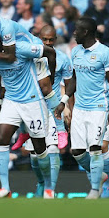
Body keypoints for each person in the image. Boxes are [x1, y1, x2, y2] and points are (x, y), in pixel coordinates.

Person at [0, 0, 68, 149]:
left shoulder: (5, 27)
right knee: (19, 94)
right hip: (14, 56)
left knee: (45, 89)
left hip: (29, 51)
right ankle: (25, 132)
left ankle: (61, 129)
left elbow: (11, 56)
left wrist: (50, 77)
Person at [0, 29, 54, 198]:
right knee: (2, 139)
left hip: (33, 100)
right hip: (11, 100)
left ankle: (49, 186)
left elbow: (49, 51)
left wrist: (51, 78)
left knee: (40, 147)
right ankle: (5, 188)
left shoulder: (21, 48)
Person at [55, 16, 109, 199]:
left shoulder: (105, 53)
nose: (73, 33)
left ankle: (94, 189)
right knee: (77, 152)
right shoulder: (75, 52)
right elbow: (74, 79)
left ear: (86, 32)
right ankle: (100, 175)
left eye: (76, 30)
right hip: (80, 108)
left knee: (95, 148)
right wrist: (64, 100)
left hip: (99, 107)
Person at [24, 25, 73, 196]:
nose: (48, 43)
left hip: (54, 107)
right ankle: (40, 182)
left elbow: (69, 85)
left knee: (52, 149)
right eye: (44, 40)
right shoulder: (31, 55)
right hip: (33, 105)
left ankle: (49, 189)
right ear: (39, 38)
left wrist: (69, 109)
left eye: (51, 40)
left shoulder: (63, 59)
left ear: (56, 40)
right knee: (35, 153)